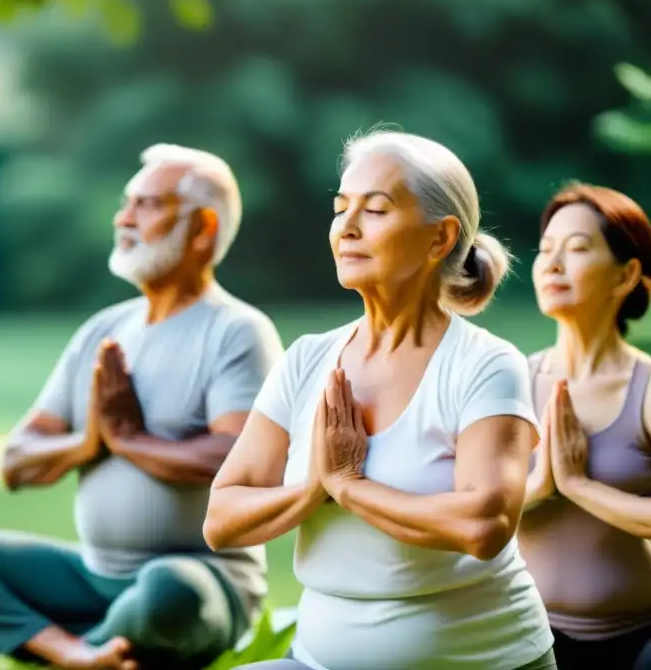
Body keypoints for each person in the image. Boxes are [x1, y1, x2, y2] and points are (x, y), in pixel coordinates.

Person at [0, 144, 284, 670]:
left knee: (167, 591)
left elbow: (241, 461)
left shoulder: (236, 331)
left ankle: (80, 653)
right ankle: (74, 653)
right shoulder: (103, 331)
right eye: (127, 203)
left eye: (147, 205)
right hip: (94, 575)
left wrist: (132, 441)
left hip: (204, 581)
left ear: (202, 227)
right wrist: (88, 443)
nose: (123, 218)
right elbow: (17, 462)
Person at [206, 130, 556, 670]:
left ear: (440, 239)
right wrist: (312, 488)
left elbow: (483, 525)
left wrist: (350, 486)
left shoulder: (486, 365)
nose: (346, 228)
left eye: (375, 210)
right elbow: (222, 516)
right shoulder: (306, 360)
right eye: (340, 208)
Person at [520, 183, 651, 670]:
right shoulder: (511, 380)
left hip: (638, 641)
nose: (553, 264)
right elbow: (467, 510)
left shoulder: (646, 388)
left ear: (626, 274)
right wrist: (537, 487)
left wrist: (577, 485)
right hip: (522, 636)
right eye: (545, 250)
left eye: (576, 249)